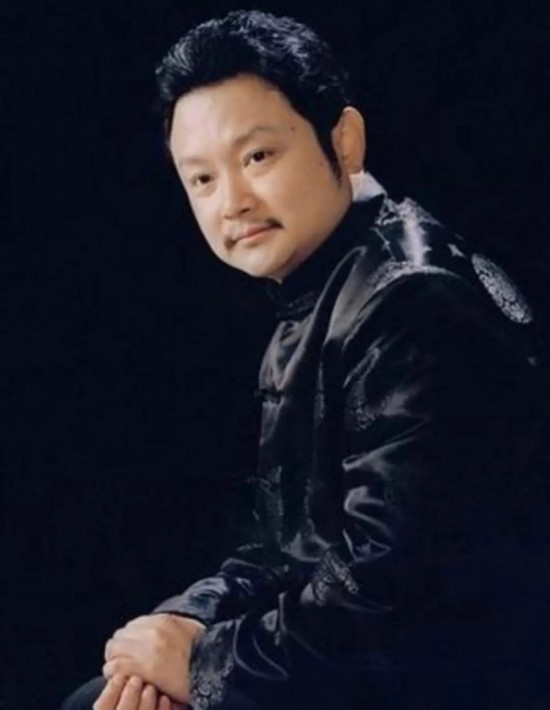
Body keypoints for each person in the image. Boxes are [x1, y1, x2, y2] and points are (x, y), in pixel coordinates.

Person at [62, 9, 549, 710]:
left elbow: (392, 596)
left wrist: (201, 665)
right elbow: (292, 543)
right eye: (201, 179)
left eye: (257, 157)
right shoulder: (328, 279)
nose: (232, 202)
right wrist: (185, 623)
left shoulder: (413, 306)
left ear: (344, 140)